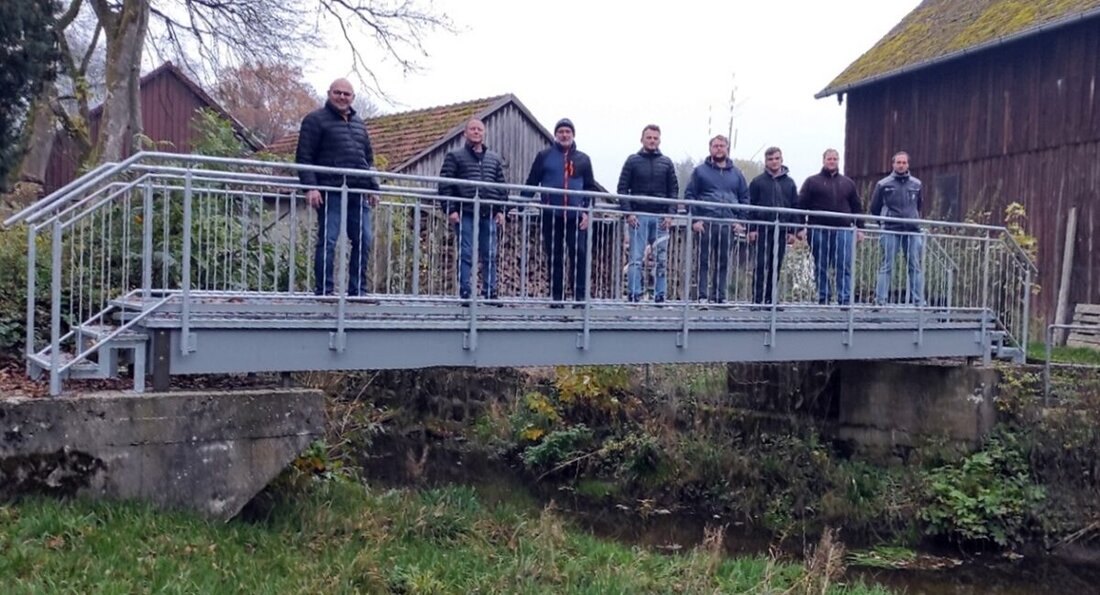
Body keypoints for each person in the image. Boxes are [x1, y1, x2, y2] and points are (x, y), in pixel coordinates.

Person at [295, 78, 379, 296]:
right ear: (329, 93)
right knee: (329, 240)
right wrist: (310, 187)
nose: (342, 97)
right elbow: (304, 157)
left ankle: (358, 290)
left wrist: (373, 187)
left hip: (358, 192)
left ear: (353, 98)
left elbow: (367, 159)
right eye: (338, 93)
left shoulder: (359, 123)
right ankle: (324, 290)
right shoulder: (315, 120)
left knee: (364, 240)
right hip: (330, 190)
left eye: (347, 94)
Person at [522, 118, 604, 307]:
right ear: (556, 135)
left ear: (573, 135)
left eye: (568, 131)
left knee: (579, 254)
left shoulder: (583, 159)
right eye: (561, 132)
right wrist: (518, 205)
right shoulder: (544, 156)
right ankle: (556, 298)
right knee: (555, 255)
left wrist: (587, 212)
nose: (564, 135)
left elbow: (590, 188)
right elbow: (532, 182)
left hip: (576, 216)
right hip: (552, 214)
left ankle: (579, 299)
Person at [438, 118, 507, 302]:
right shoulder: (455, 156)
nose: (477, 132)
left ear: (484, 133)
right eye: (473, 129)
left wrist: (501, 209)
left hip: (488, 212)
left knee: (490, 253)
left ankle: (490, 292)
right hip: (465, 211)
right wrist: (450, 209)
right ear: (465, 133)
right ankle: (465, 291)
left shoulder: (494, 159)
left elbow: (501, 186)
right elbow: (445, 184)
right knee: (466, 252)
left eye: (480, 129)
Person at [616, 124, 678, 303]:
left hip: (661, 219)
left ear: (659, 140)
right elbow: (622, 188)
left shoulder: (666, 163)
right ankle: (634, 294)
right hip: (638, 217)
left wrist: (670, 214)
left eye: (655, 138)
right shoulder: (632, 160)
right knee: (636, 259)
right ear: (642, 139)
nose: (652, 141)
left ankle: (660, 295)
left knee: (661, 260)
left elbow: (673, 191)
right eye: (649, 137)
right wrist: (628, 213)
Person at [685, 135, 749, 304]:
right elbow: (690, 195)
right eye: (716, 146)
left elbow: (744, 198)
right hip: (706, 221)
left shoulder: (737, 174)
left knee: (724, 261)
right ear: (710, 148)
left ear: (727, 149)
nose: (719, 148)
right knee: (703, 260)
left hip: (728, 223)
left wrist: (740, 221)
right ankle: (703, 296)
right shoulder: (700, 171)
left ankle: (720, 296)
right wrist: (695, 220)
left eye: (722, 146)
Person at [797, 148, 863, 305]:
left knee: (844, 265)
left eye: (834, 159)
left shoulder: (848, 183)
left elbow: (856, 207)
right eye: (829, 159)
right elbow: (801, 205)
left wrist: (859, 228)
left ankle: (845, 299)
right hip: (818, 229)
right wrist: (799, 227)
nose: (832, 161)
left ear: (838, 161)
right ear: (823, 160)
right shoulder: (812, 182)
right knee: (821, 265)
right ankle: (823, 297)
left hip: (843, 230)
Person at [870, 151, 924, 306]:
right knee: (887, 264)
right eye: (898, 162)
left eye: (904, 162)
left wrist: (913, 220)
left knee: (915, 265)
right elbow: (875, 208)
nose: (901, 165)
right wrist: (884, 224)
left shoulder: (917, 184)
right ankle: (881, 300)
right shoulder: (883, 184)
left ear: (908, 164)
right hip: (890, 230)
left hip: (912, 230)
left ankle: (918, 301)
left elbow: (919, 205)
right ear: (893, 164)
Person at [747, 147, 798, 305]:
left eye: (777, 158)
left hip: (781, 230)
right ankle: (757, 300)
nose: (774, 162)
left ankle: (771, 300)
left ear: (781, 160)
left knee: (776, 265)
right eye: (770, 159)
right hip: (762, 229)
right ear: (766, 161)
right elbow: (750, 206)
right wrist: (751, 229)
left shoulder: (790, 183)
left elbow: (794, 207)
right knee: (761, 265)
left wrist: (793, 231)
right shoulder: (757, 182)